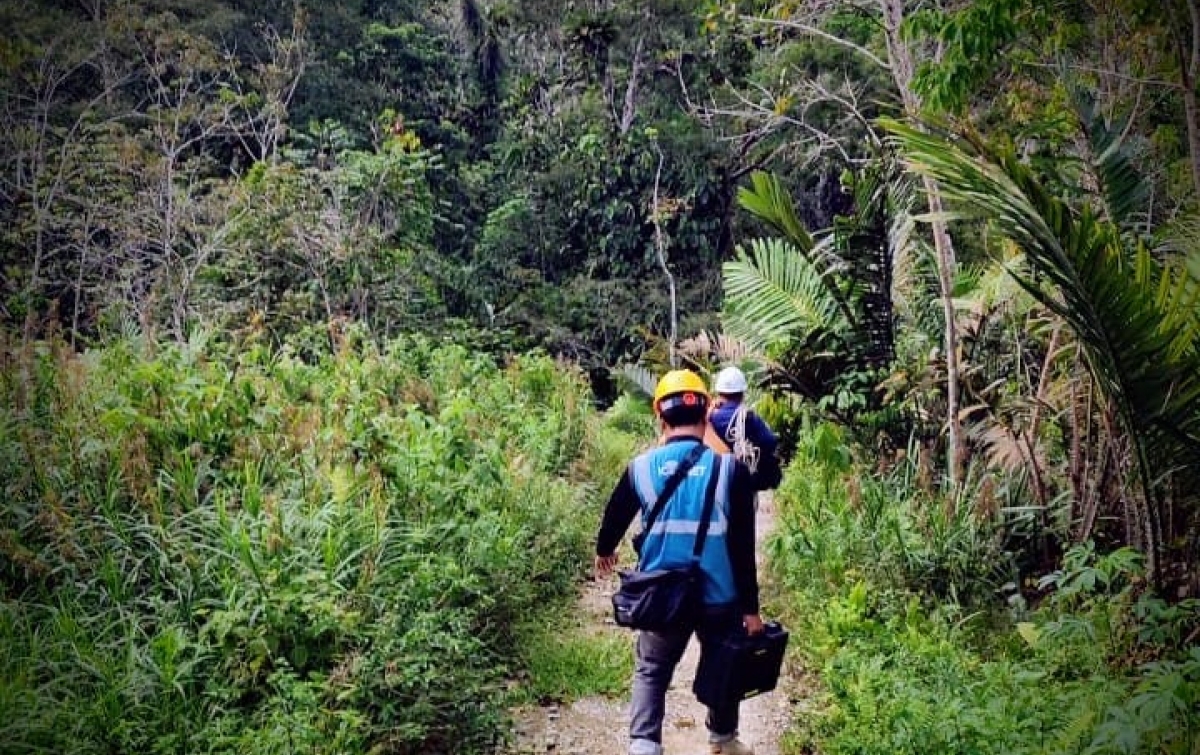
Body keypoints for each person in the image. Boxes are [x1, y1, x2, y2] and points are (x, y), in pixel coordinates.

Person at [595, 368, 763, 755]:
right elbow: (742, 546)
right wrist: (751, 610)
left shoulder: (640, 468)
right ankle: (722, 739)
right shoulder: (730, 471)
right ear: (706, 414)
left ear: (660, 417)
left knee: (652, 670)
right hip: (719, 597)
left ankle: (644, 745)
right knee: (725, 663)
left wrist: (606, 551)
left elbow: (614, 516)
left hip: (661, 594)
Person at [707, 366, 782, 494]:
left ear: (719, 393)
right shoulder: (749, 417)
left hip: (714, 480)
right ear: (742, 394)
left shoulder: (710, 418)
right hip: (743, 483)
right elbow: (770, 442)